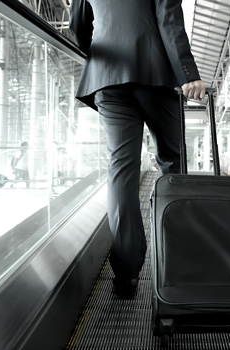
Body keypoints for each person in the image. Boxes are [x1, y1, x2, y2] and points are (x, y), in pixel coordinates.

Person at [69, 0, 206, 298]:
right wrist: (188, 74)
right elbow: (168, 19)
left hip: (107, 77)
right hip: (155, 75)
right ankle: (176, 263)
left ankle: (126, 274)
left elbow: (78, 28)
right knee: (173, 161)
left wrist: (103, 54)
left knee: (121, 169)